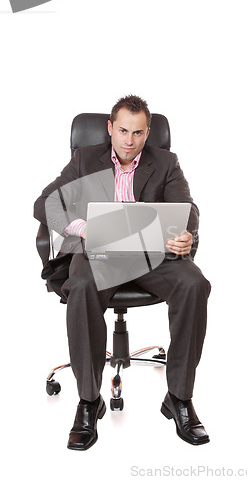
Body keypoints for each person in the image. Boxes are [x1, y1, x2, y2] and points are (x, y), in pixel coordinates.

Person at [34, 95, 211, 450]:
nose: (129, 141)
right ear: (110, 129)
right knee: (81, 283)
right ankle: (88, 400)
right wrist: (82, 228)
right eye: (123, 131)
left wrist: (185, 233)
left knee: (195, 284)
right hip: (98, 253)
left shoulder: (166, 162)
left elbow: (186, 207)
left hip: (152, 254)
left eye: (139, 133)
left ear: (149, 133)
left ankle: (178, 397)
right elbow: (44, 204)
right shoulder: (85, 159)